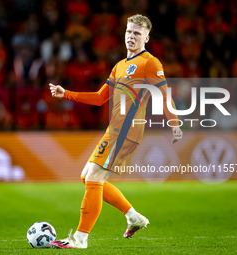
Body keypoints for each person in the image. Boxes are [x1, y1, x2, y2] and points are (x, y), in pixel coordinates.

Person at [49, 14, 183, 249]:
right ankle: (133, 217)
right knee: (87, 176)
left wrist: (174, 123)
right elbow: (101, 97)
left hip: (128, 130)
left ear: (146, 38)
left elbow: (163, 95)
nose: (131, 37)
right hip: (115, 128)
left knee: (94, 178)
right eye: (129, 32)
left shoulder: (150, 63)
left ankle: (80, 239)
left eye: (137, 34)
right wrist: (66, 93)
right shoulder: (120, 65)